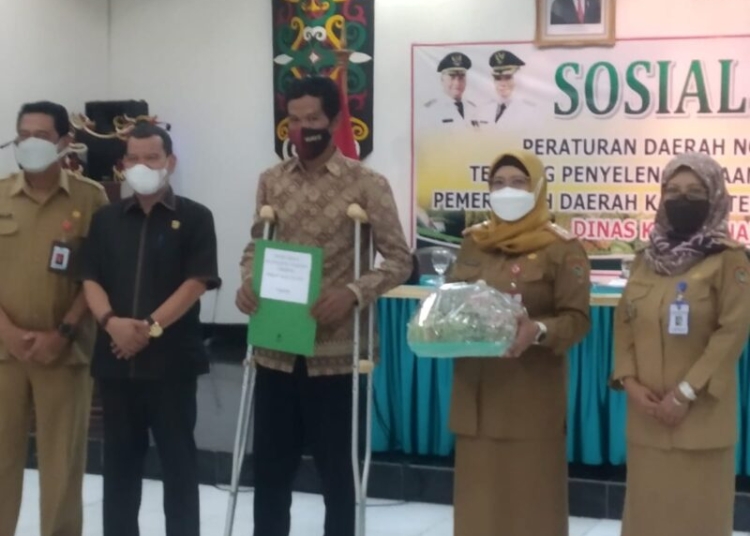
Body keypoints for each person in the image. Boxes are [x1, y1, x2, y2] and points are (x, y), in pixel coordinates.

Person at [235, 75, 412, 536]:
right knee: (271, 473)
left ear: (335, 121)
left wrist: (352, 293)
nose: (302, 128)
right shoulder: (271, 181)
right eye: (293, 120)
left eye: (312, 118)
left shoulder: (367, 183)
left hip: (337, 353)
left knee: (339, 476)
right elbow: (257, 245)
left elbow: (399, 260)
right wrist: (247, 283)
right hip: (277, 346)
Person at [82, 122, 221, 536]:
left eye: (152, 157)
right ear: (123, 165)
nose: (142, 165)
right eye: (134, 158)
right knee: (119, 467)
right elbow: (90, 278)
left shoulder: (195, 217)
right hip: (115, 363)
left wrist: (147, 328)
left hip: (171, 363)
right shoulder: (105, 219)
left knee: (179, 465)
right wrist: (111, 324)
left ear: (170, 162)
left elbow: (196, 282)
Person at [448, 150, 591, 536]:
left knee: (532, 509)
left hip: (529, 399)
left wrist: (539, 331)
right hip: (476, 396)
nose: (506, 191)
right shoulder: (473, 242)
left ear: (538, 188)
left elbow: (578, 321)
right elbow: (451, 299)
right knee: (479, 511)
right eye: (497, 183)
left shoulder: (561, 247)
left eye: (518, 182)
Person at [611, 152, 750, 536]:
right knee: (647, 519)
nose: (681, 199)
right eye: (673, 190)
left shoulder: (729, 259)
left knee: (696, 520)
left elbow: (733, 331)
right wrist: (629, 383)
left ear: (715, 195)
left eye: (694, 191)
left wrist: (686, 393)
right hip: (648, 417)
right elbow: (624, 323)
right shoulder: (646, 259)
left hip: (699, 418)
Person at [0, 101, 108, 536]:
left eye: (41, 135)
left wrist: (62, 333)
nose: (29, 142)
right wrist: (7, 332)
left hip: (66, 352)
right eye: (23, 134)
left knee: (62, 465)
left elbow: (99, 276)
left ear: (65, 141)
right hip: (4, 353)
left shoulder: (90, 197)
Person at [478, 50, 536, 128]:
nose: (502, 83)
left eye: (508, 77)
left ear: (517, 79)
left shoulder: (530, 111)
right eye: (498, 78)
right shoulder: (483, 109)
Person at [422, 52, 478, 127]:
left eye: (461, 77)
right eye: (452, 77)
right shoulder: (430, 110)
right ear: (442, 79)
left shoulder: (473, 108)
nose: (457, 83)